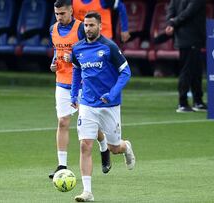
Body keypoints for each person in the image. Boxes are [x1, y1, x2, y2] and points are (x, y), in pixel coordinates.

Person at [71, 11, 135, 202]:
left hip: (109, 105)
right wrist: (74, 94)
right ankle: (87, 192)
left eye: (92, 25)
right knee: (85, 145)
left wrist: (113, 93)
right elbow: (76, 71)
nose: (88, 29)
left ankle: (126, 146)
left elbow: (126, 72)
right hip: (87, 104)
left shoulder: (109, 47)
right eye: (86, 25)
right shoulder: (78, 49)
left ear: (100, 26)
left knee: (115, 148)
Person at [48, 0, 111, 180]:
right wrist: (54, 62)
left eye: (62, 13)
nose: (59, 17)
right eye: (57, 14)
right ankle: (62, 166)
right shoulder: (53, 29)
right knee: (63, 122)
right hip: (62, 81)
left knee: (90, 127)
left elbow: (92, 50)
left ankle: (104, 146)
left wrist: (74, 57)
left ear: (71, 11)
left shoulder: (81, 28)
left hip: (84, 83)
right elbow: (55, 50)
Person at [165, 0, 207, 112]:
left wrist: (171, 23)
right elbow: (189, 12)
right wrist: (172, 23)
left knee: (196, 70)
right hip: (190, 37)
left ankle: (198, 101)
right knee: (187, 71)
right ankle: (182, 102)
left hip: (187, 38)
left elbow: (170, 12)